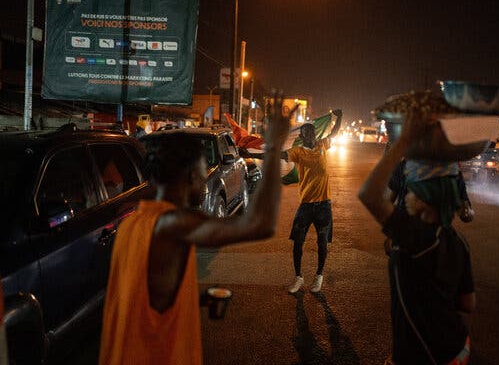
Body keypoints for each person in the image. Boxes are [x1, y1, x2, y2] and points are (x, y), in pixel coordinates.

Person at [98, 99, 296, 365]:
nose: (205, 180)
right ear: (190, 175)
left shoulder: (135, 222)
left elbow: (150, 294)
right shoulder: (172, 225)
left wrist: (200, 298)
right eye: (203, 173)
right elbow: (260, 224)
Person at [359, 113, 476, 365]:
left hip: (425, 356)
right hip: (458, 349)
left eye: (414, 190)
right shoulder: (457, 242)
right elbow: (468, 303)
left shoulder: (416, 238)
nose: (409, 195)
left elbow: (369, 195)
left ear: (423, 199)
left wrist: (399, 145)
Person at [283, 109, 343, 294]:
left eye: (312, 132)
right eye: (306, 132)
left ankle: (319, 276)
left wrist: (339, 117)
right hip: (306, 205)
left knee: (322, 242)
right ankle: (298, 277)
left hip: (324, 204)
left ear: (315, 134)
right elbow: (277, 155)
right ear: (301, 136)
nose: (310, 135)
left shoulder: (322, 145)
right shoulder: (298, 152)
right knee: (298, 242)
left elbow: (334, 133)